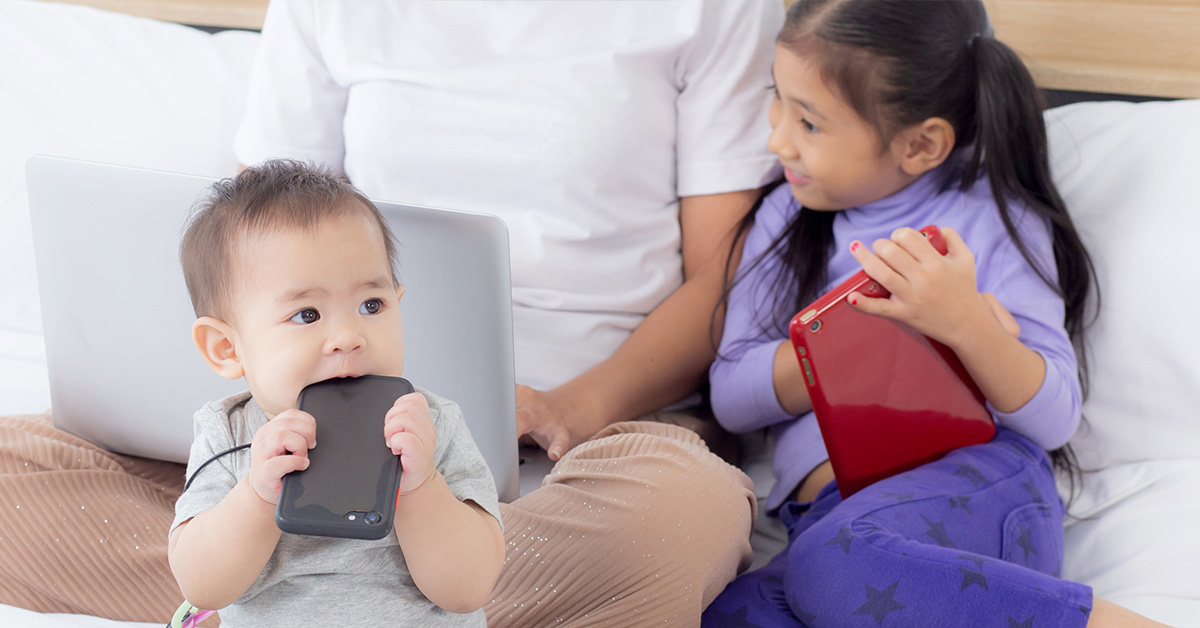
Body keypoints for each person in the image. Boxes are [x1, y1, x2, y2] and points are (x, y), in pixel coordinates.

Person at [700, 1, 1173, 627]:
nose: (776, 137)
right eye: (777, 99)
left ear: (921, 144)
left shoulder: (991, 219)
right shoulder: (785, 219)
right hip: (832, 515)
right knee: (729, 614)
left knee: (836, 565)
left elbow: (1054, 413)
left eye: (809, 122)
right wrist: (846, 337)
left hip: (980, 485)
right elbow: (732, 395)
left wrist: (964, 323)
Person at [169, 160, 505, 626]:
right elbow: (202, 584)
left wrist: (422, 487)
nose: (349, 336)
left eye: (372, 305)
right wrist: (257, 495)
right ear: (227, 347)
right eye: (307, 314)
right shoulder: (227, 433)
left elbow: (469, 588)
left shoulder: (429, 424)